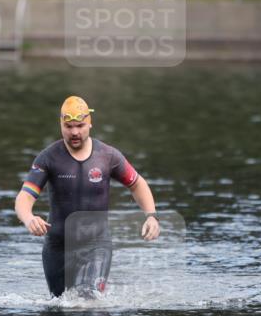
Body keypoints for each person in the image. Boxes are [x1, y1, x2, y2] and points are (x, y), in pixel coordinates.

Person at [15, 96, 160, 298]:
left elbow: (137, 183)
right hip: (58, 247)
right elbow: (24, 197)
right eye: (68, 126)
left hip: (96, 245)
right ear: (61, 125)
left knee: (87, 301)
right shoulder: (48, 158)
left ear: (90, 123)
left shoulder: (108, 156)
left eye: (80, 125)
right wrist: (29, 218)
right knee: (60, 311)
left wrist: (151, 215)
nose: (75, 132)